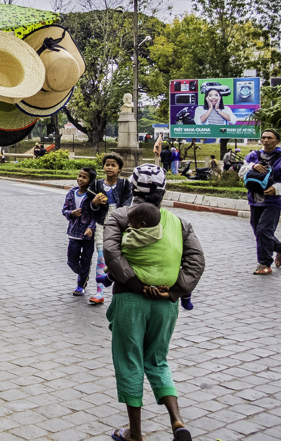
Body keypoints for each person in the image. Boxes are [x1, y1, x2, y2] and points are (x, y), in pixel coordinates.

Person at [103, 164, 204, 441]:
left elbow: (112, 253)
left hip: (129, 299)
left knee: (129, 361)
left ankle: (135, 433)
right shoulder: (180, 223)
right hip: (165, 303)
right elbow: (196, 261)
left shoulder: (120, 217)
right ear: (163, 191)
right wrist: (174, 292)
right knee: (158, 361)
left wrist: (138, 286)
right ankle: (177, 421)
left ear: (132, 188)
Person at [88, 153, 133, 305]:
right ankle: (99, 292)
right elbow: (90, 206)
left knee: (119, 258)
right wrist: (95, 203)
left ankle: (121, 291)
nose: (109, 167)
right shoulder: (96, 185)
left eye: (113, 165)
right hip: (101, 223)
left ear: (120, 169)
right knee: (101, 256)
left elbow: (127, 205)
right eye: (107, 164)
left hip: (119, 224)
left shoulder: (125, 184)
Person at [238, 129, 281, 275]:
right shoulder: (253, 155)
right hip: (255, 199)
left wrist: (276, 188)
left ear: (277, 141)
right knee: (258, 230)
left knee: (264, 230)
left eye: (270, 138)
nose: (266, 140)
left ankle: (265, 263)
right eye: (263, 137)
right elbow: (241, 172)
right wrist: (252, 166)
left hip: (274, 200)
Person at [62, 167, 107, 296]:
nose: (80, 179)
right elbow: (64, 210)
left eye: (84, 177)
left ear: (91, 181)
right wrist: (71, 213)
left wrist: (91, 227)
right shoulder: (72, 192)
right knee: (72, 261)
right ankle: (83, 272)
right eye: (79, 176)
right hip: (74, 232)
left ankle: (81, 286)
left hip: (88, 234)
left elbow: (97, 214)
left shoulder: (93, 195)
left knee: (86, 260)